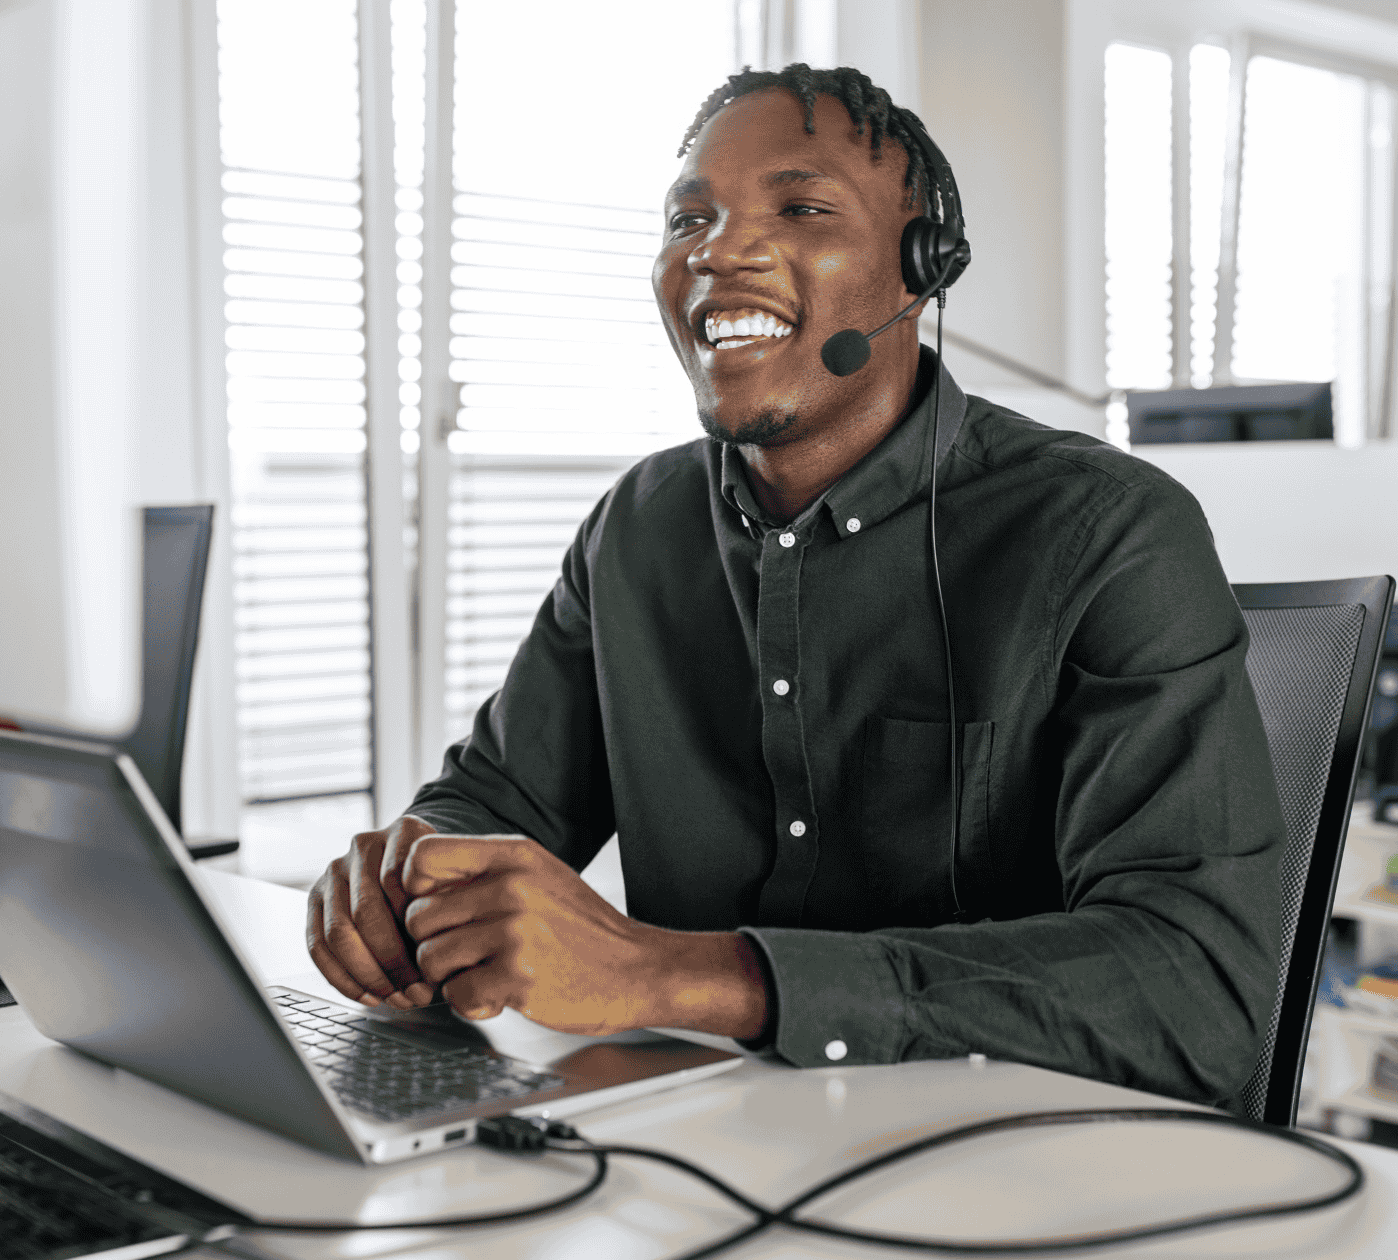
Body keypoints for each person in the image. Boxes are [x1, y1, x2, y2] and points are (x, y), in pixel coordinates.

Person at [305, 64, 1287, 1108]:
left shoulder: (1105, 531)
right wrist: (409, 879)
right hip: (705, 1141)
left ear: (920, 266)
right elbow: (500, 799)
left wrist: (685, 976)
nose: (716, 250)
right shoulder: (637, 529)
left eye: (800, 206)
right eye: (688, 219)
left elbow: (1200, 993)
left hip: (1012, 1155)